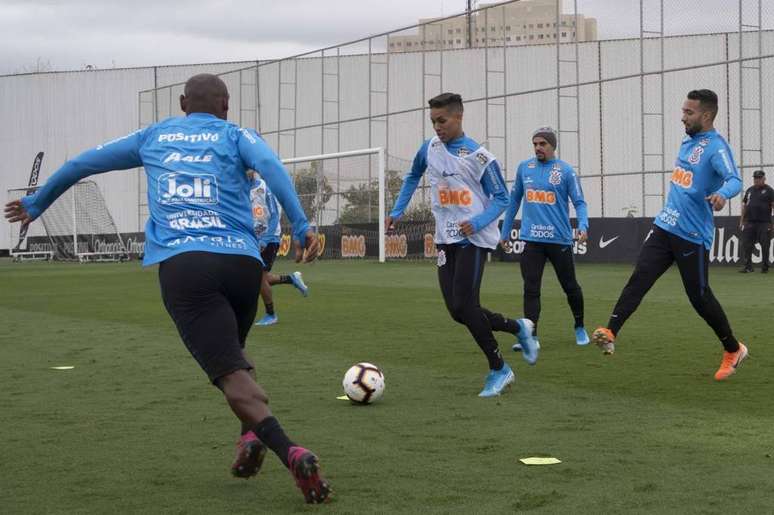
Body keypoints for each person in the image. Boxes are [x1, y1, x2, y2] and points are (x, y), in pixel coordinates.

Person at [4, 74, 331, 503]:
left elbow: (80, 163)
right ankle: (249, 437)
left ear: (182, 102)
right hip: (241, 262)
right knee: (235, 354)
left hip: (186, 264)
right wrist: (302, 225)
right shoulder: (237, 134)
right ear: (226, 105)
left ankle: (290, 451)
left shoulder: (152, 136)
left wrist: (36, 203)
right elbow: (270, 167)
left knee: (230, 373)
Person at [385, 92, 538, 398]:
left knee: (466, 305)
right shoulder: (428, 148)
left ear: (459, 117)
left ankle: (499, 368)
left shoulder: (479, 157)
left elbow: (503, 199)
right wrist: (396, 210)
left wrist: (478, 222)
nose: (437, 127)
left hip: (473, 239)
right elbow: (413, 174)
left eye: (442, 121)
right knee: (457, 310)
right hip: (445, 237)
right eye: (433, 121)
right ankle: (518, 327)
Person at [592, 89, 747, 382]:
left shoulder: (716, 148)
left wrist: (722, 195)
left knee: (699, 297)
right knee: (640, 278)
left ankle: (733, 349)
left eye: (689, 112)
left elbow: (735, 179)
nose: (683, 117)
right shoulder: (688, 140)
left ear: (707, 115)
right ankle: (611, 331)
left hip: (692, 234)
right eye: (683, 111)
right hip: (665, 226)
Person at [500, 127, 590, 350]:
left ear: (552, 146)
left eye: (543, 144)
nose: (538, 147)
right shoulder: (524, 168)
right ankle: (532, 337)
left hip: (559, 240)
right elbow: (513, 203)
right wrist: (504, 232)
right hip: (532, 240)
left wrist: (583, 225)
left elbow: (579, 202)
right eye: (535, 144)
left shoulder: (566, 171)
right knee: (531, 288)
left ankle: (579, 326)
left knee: (570, 286)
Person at [248, 171, 309, 326]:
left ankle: (271, 315)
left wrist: (266, 239)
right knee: (255, 277)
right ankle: (291, 279)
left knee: (259, 277)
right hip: (252, 238)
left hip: (268, 238)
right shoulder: (242, 187)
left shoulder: (263, 186)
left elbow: (274, 215)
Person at [738, 169, 773, 273]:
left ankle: (765, 266)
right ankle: (748, 266)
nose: (757, 180)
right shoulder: (749, 190)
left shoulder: (769, 190)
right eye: (755, 178)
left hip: (764, 222)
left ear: (764, 178)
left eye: (759, 178)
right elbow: (745, 206)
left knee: (765, 244)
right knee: (746, 244)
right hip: (750, 222)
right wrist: (741, 221)